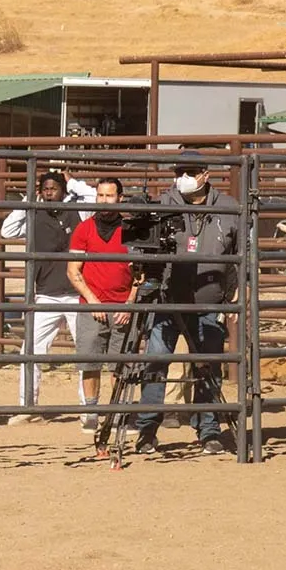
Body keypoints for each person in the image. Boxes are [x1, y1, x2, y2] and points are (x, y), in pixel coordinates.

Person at [134, 152, 240, 456]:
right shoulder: (163, 204)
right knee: (155, 362)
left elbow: (242, 251)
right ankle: (147, 430)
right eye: (179, 171)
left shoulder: (229, 209)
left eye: (190, 171)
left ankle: (208, 429)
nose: (183, 177)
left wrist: (237, 287)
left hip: (210, 300)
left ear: (205, 174)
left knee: (207, 364)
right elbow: (142, 244)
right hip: (168, 298)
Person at [0, 170, 94, 425]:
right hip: (45, 294)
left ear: (64, 190)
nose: (49, 192)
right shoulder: (34, 213)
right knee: (30, 351)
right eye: (45, 188)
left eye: (54, 187)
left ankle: (89, 410)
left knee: (85, 352)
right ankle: (28, 406)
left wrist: (75, 182)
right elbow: (7, 231)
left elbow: (95, 197)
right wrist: (28, 200)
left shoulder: (80, 211)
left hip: (77, 294)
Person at [66, 178, 137, 435]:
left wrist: (129, 303)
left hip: (122, 306)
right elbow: (73, 270)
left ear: (120, 197)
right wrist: (92, 301)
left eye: (109, 196)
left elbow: (140, 272)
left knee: (121, 364)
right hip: (92, 305)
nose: (104, 201)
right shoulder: (84, 229)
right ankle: (91, 411)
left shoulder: (131, 229)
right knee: (90, 362)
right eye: (100, 195)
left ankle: (118, 413)